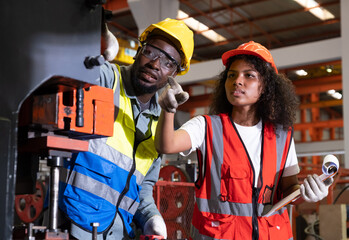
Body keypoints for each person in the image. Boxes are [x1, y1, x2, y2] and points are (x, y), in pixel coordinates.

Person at [155, 41, 333, 239]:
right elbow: (166, 144)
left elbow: (289, 190)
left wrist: (309, 193)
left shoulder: (282, 135)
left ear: (265, 86)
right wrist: (168, 111)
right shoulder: (206, 127)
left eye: (249, 75)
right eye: (232, 75)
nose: (237, 81)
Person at [56, 18, 194, 239]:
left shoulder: (160, 124)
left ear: (175, 75)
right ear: (138, 51)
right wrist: (93, 44)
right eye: (151, 52)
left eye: (168, 62)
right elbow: (75, 67)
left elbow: (143, 189)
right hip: (70, 226)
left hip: (118, 233)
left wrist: (151, 219)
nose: (156, 64)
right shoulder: (108, 80)